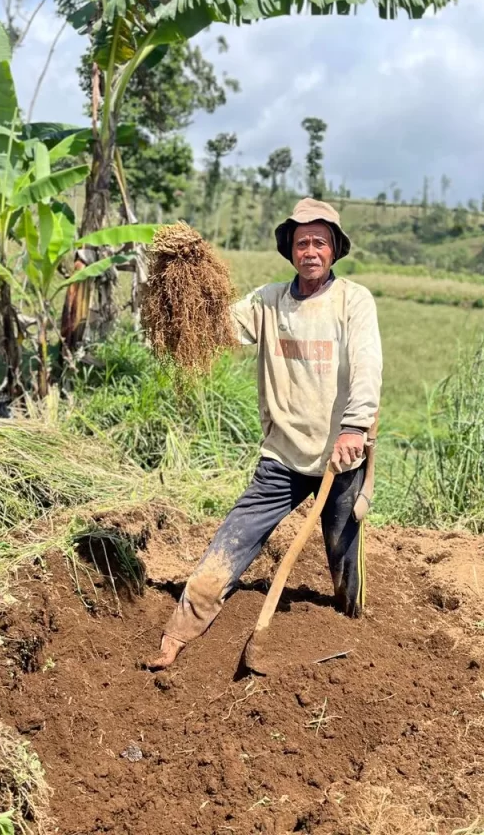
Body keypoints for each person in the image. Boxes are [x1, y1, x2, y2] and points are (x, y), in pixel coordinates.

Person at [145, 198, 382, 669]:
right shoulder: (268, 301)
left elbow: (368, 367)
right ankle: (181, 629)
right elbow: (216, 328)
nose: (309, 251)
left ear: (333, 249)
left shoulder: (353, 301)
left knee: (342, 547)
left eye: (319, 242)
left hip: (341, 456)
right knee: (234, 537)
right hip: (281, 455)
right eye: (301, 243)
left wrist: (355, 426)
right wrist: (188, 281)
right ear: (290, 251)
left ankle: (350, 617)